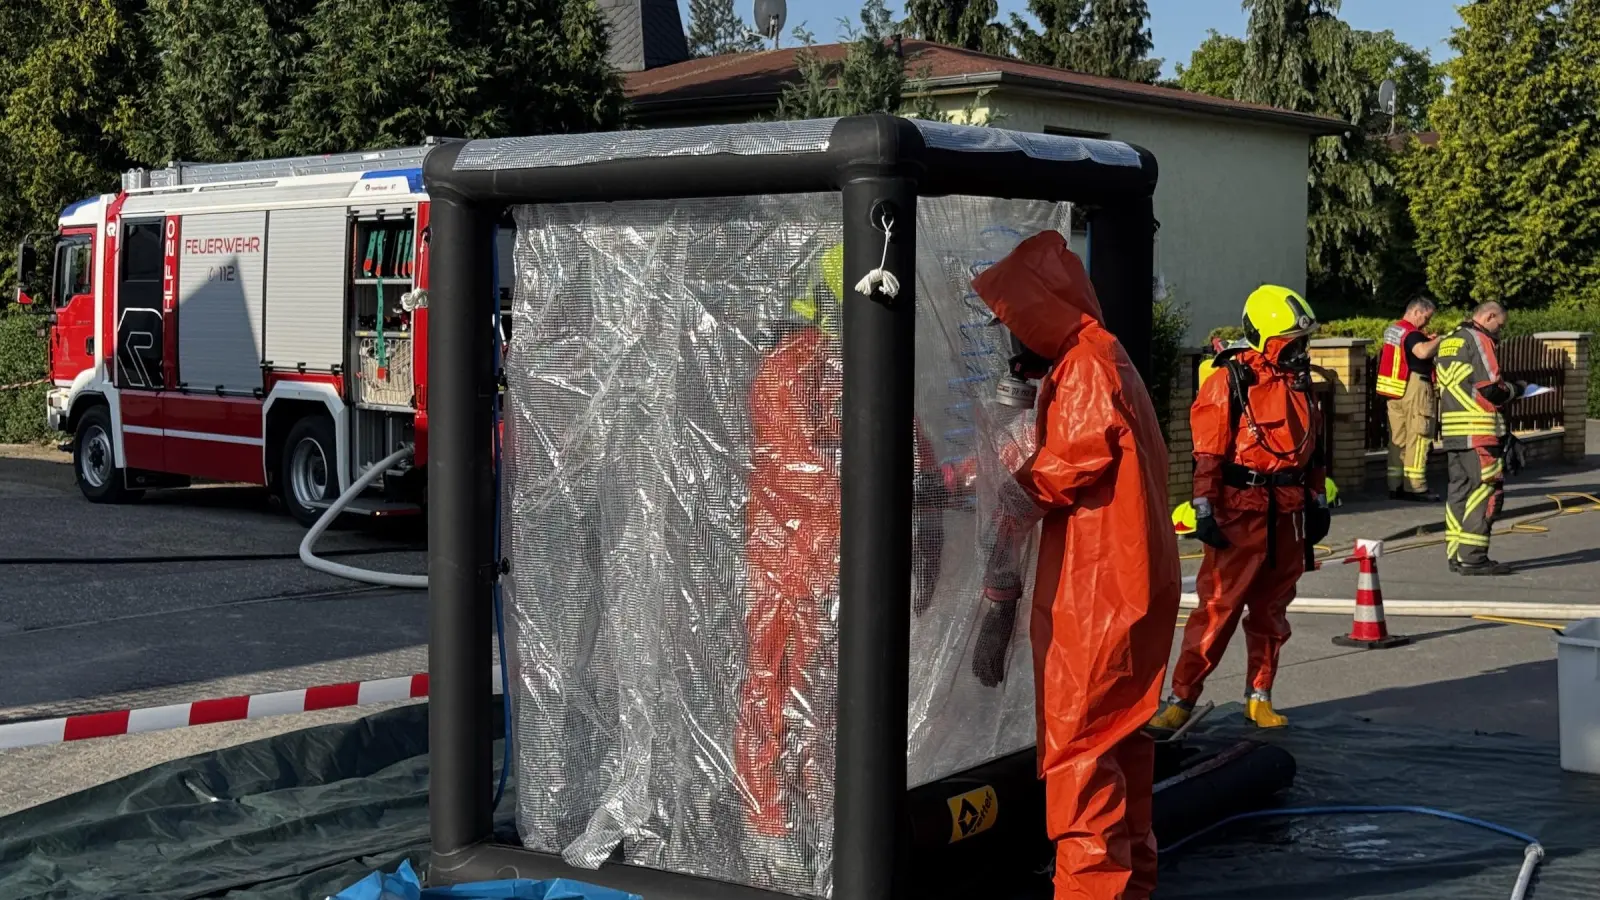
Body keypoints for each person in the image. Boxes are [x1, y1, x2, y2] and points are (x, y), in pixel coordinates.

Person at [735, 243, 975, 887]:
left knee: (841, 706)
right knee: (778, 693)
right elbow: (799, 473)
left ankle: (827, 817)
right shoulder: (793, 370)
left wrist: (923, 547)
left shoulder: (875, 370)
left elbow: (915, 463)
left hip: (850, 576)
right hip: (796, 572)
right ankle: (770, 830)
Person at [967, 230, 1182, 900]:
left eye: (1012, 318)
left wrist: (1005, 492)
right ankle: (1131, 889)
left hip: (1099, 596)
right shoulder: (1101, 357)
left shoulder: (1085, 364)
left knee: (1081, 759)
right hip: (1127, 583)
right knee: (1121, 752)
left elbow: (1072, 461)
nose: (1010, 337)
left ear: (1038, 309)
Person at [1149, 285, 1330, 733]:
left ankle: (1259, 696)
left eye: (1303, 341)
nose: (1302, 350)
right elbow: (1208, 455)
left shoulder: (1302, 384)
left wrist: (1319, 500)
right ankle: (1182, 699)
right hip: (1241, 517)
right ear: (1268, 339)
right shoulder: (1229, 383)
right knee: (1217, 610)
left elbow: (1314, 452)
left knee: (1272, 613)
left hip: (1288, 516)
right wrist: (1205, 508)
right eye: (1293, 341)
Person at [1436, 300, 1522, 576]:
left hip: (1453, 431)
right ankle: (1473, 557)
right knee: (1487, 489)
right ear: (1489, 315)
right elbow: (1490, 389)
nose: (1500, 331)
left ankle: (1455, 554)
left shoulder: (1450, 340)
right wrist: (1515, 389)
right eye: (1499, 325)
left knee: (1458, 491)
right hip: (1479, 431)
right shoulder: (1479, 339)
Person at [1377, 297, 1443, 501]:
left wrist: (1425, 338)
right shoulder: (1412, 333)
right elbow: (1421, 353)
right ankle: (1416, 487)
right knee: (1419, 435)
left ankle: (1395, 485)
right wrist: (1439, 340)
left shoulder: (1394, 330)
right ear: (1416, 312)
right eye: (1426, 317)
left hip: (1395, 390)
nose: (1427, 322)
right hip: (1415, 387)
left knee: (1398, 439)